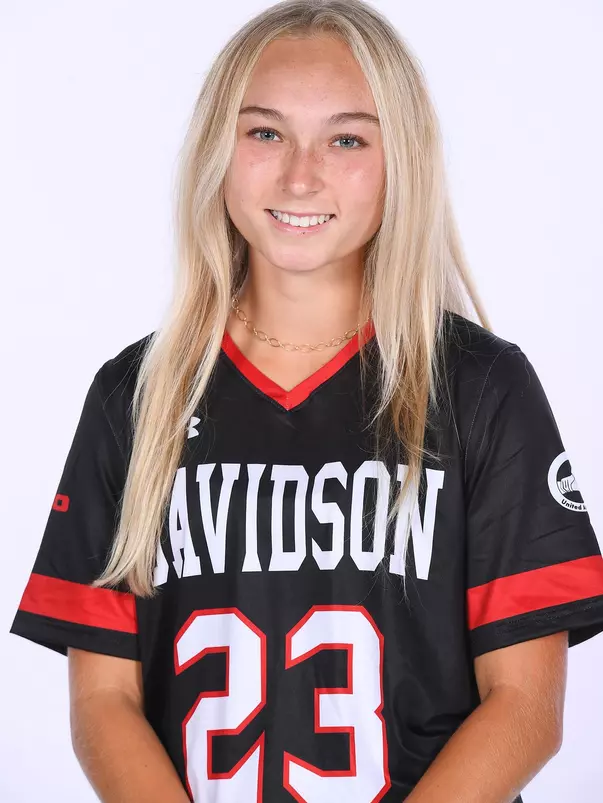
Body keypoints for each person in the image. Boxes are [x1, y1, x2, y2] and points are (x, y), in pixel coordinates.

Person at [9, 1, 603, 801]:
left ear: (402, 160)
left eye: (347, 139)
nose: (299, 175)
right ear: (216, 148)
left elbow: (525, 707)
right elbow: (102, 702)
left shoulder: (480, 387)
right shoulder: (136, 396)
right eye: (265, 132)